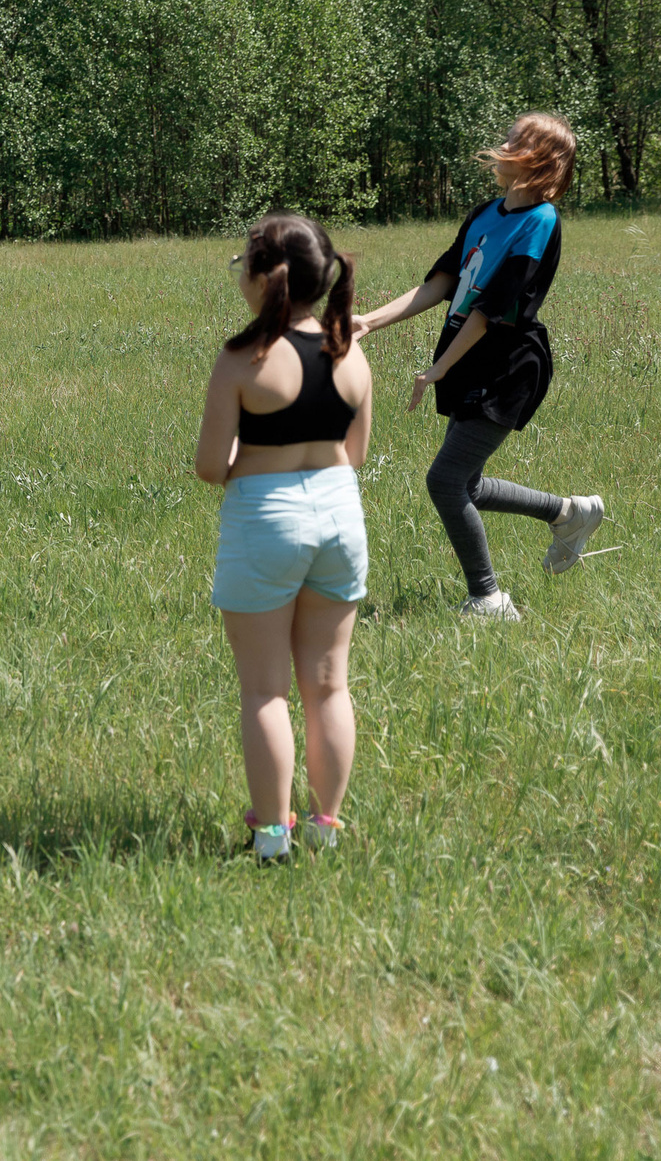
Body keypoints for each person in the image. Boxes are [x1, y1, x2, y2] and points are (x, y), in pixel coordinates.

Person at [356, 113, 605, 622]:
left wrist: (438, 369)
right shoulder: (484, 213)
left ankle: (488, 599)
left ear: (536, 159)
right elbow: (443, 282)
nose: (501, 145)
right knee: (465, 483)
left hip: (506, 366)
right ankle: (569, 513)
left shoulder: (541, 222)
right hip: (469, 359)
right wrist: (368, 322)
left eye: (513, 140)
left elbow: (493, 310)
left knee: (445, 482)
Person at [193, 214, 374, 864]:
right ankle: (326, 824)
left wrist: (254, 456)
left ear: (260, 277)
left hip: (267, 520)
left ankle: (273, 834)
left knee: (265, 690)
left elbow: (212, 466)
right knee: (330, 685)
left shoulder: (243, 358)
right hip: (339, 515)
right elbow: (356, 452)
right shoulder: (350, 353)